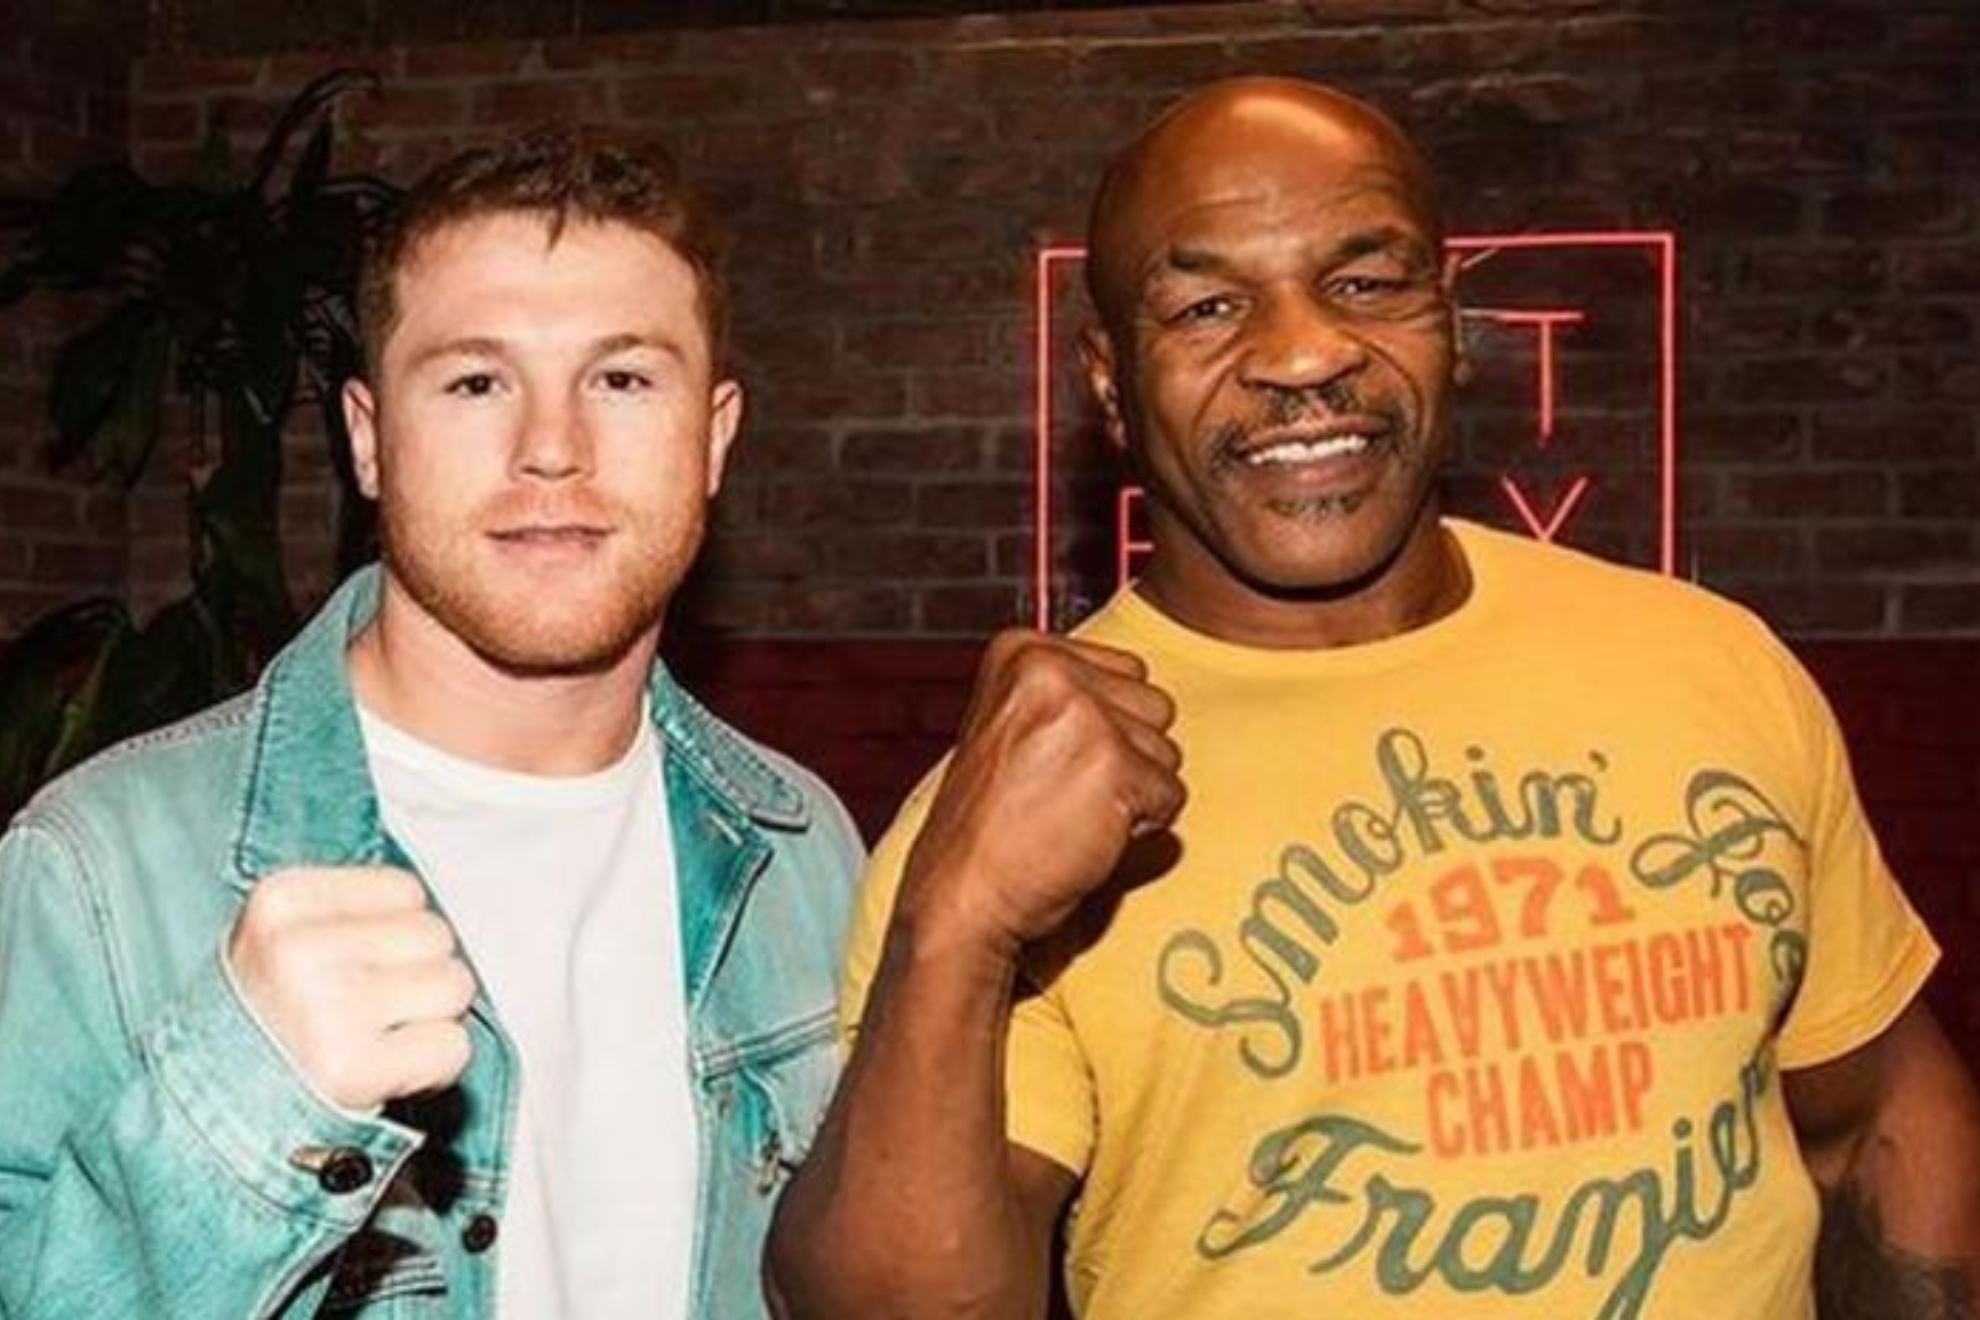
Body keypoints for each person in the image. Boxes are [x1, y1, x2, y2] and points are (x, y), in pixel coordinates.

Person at [768, 77, 1980, 1320]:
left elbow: (1880, 1110)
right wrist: (958, 926)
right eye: (1206, 306)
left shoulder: (1709, 661)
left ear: (1449, 319)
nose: (1304, 353)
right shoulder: (1024, 803)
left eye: (1364, 282)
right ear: (1111, 384)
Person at [0, 129, 861, 1320]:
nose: (551, 450)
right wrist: (246, 1110)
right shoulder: (100, 871)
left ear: (712, 437)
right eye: (475, 383)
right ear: (367, 439)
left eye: (621, 380)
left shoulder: (803, 848)